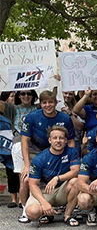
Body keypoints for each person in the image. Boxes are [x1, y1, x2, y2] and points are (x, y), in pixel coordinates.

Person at [19, 91, 76, 219]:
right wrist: (27, 165)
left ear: (56, 103)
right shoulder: (31, 117)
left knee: (67, 178)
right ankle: (24, 208)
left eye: (51, 102)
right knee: (25, 179)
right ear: (40, 104)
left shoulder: (65, 118)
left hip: (58, 152)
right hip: (35, 152)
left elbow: (71, 140)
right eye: (44, 102)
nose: (48, 105)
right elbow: (24, 141)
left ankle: (60, 207)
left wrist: (70, 156)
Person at [25, 127, 80, 226]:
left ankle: (68, 215)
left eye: (61, 138)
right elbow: (33, 184)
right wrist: (43, 203)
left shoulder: (72, 152)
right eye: (55, 138)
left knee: (75, 181)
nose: (58, 141)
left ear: (66, 140)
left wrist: (57, 178)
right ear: (50, 140)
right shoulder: (39, 158)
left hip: (61, 190)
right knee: (32, 213)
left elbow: (76, 171)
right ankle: (47, 214)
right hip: (44, 191)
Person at [0, 90, 38, 207]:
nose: (26, 96)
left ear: (33, 96)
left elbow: (51, 98)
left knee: (37, 176)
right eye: (23, 94)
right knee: (23, 177)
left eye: (29, 94)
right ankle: (23, 203)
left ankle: (34, 202)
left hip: (36, 146)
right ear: (18, 96)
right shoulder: (13, 109)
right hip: (19, 144)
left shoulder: (38, 108)